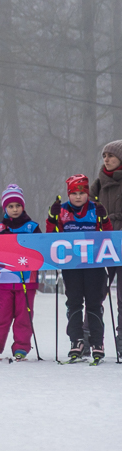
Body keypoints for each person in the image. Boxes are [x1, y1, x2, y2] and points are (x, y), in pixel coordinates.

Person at [47, 174, 111, 363]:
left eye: (81, 193)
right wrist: (52, 217)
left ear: (87, 193)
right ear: (68, 194)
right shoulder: (63, 211)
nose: (77, 197)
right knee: (74, 302)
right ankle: (77, 340)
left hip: (94, 265)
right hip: (72, 265)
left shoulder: (94, 209)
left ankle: (97, 342)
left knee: (94, 303)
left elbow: (107, 235)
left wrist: (104, 218)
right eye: (73, 193)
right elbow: (52, 235)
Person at [0, 185, 41, 361]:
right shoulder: (0, 228)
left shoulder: (32, 227)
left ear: (22, 206)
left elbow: (39, 250)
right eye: (10, 206)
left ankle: (21, 347)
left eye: (17, 205)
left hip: (27, 279)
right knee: (1, 315)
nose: (14, 210)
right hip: (5, 280)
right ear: (5, 208)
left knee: (24, 315)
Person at [91, 141, 122, 352]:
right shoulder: (98, 184)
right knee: (97, 292)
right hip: (103, 244)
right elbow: (86, 211)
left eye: (112, 156)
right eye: (104, 156)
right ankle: (89, 336)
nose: (107, 159)